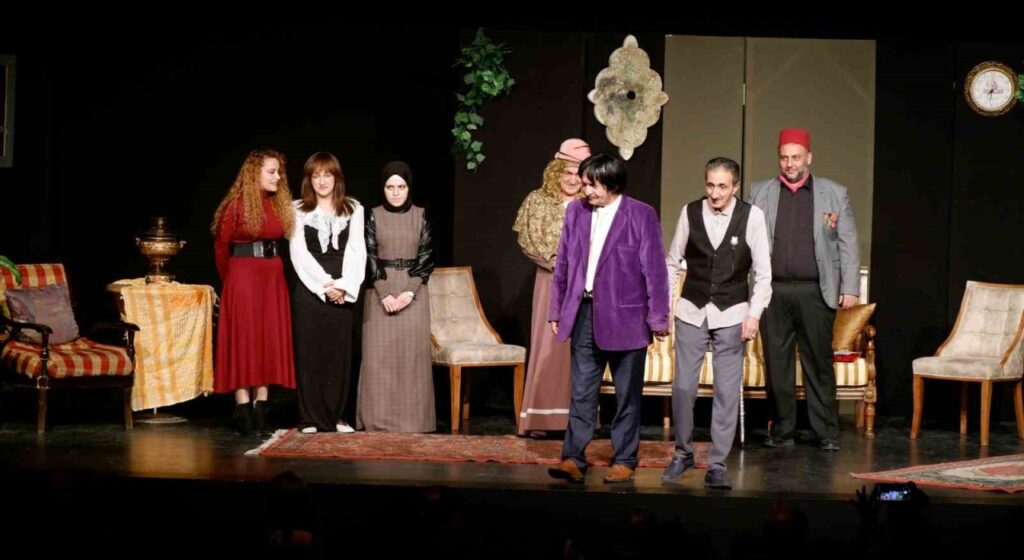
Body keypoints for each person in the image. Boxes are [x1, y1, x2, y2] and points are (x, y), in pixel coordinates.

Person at [546, 152, 670, 484]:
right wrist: (557, 309)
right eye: (584, 184)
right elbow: (563, 264)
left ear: (611, 183)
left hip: (627, 318)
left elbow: (655, 270)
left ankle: (625, 459)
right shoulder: (576, 212)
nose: (584, 190)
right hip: (585, 313)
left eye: (591, 184)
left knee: (626, 395)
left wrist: (659, 318)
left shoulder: (640, 214)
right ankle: (573, 458)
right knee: (582, 392)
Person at [661, 157, 772, 489]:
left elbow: (763, 274)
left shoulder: (752, 216)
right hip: (691, 309)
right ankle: (683, 453)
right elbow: (672, 262)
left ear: (735, 187)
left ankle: (718, 464)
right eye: (710, 185)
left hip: (732, 312)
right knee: (683, 387)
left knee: (726, 391)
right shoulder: (690, 212)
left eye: (722, 186)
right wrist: (665, 308)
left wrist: (753, 315)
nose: (715, 193)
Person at [748, 128, 860, 451]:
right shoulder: (760, 192)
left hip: (815, 292)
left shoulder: (834, 193)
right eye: (784, 157)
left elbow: (848, 243)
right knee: (777, 364)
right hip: (773, 293)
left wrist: (850, 287)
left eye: (796, 157)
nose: (790, 164)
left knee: (819, 363)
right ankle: (782, 430)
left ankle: (825, 432)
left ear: (808, 157)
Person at [211, 148, 296, 434]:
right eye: (271, 172)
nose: (278, 177)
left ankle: (262, 406)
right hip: (244, 278)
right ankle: (242, 407)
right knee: (244, 338)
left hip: (272, 279)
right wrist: (233, 284)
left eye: (279, 172)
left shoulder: (279, 204)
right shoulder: (235, 206)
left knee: (267, 338)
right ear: (253, 174)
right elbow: (221, 249)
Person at [511, 138, 591, 437]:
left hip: (584, 283)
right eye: (566, 173)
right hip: (551, 281)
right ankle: (540, 419)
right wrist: (557, 264)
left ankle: (577, 419)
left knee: (580, 347)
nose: (572, 180)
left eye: (578, 174)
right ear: (555, 172)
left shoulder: (590, 205)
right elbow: (527, 240)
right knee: (548, 344)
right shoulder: (538, 200)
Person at [356, 161, 436, 432]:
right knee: (379, 359)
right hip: (380, 291)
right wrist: (385, 294)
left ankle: (413, 421)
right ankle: (377, 420)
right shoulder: (373, 216)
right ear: (383, 188)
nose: (396, 192)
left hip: (414, 292)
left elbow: (426, 257)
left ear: (408, 187)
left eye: (401, 187)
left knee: (411, 359)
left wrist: (409, 292)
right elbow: (369, 256)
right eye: (390, 187)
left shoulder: (421, 215)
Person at [289, 152, 365, 434]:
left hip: (343, 289)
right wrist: (326, 285)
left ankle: (337, 417)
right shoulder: (297, 209)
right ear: (309, 180)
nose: (322, 181)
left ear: (337, 178)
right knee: (310, 352)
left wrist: (343, 286)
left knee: (338, 353)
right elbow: (298, 253)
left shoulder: (353, 208)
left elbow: (357, 251)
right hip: (311, 288)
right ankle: (309, 418)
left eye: (327, 175)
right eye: (316, 175)